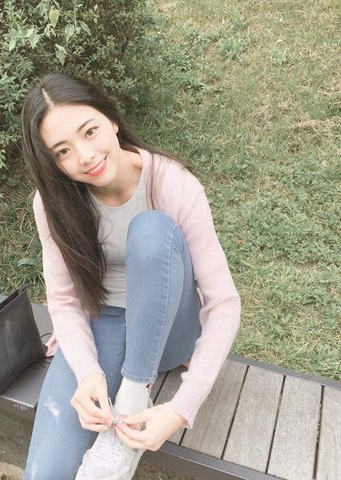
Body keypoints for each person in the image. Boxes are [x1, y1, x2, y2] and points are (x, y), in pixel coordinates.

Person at [20, 72, 241, 480]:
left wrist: (180, 408)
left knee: (151, 231)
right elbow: (64, 299)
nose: (85, 156)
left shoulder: (171, 182)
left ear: (111, 120)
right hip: (103, 321)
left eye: (90, 131)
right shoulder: (53, 203)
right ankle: (115, 395)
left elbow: (223, 304)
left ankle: (133, 401)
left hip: (169, 328)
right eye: (63, 151)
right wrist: (87, 372)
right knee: (46, 472)